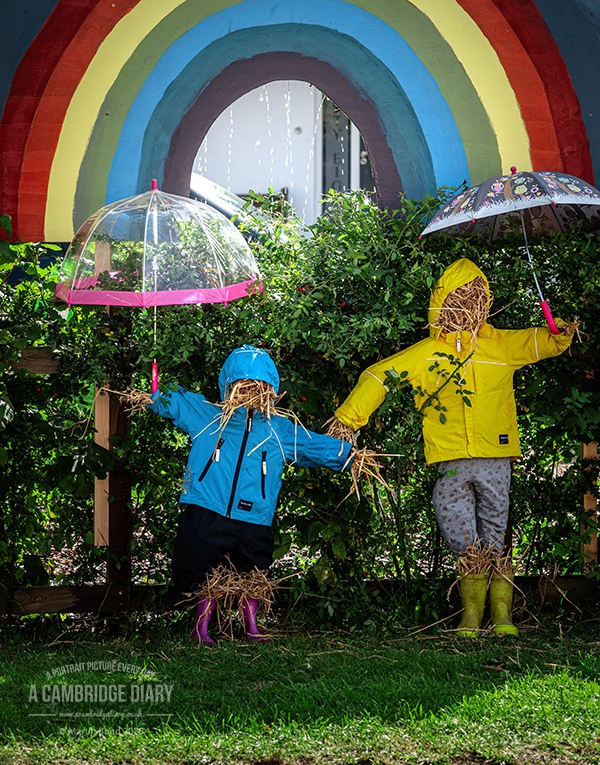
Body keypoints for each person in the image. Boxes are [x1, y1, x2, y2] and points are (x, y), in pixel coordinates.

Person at [327, 258, 576, 637]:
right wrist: (349, 417)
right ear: (441, 304)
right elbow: (379, 375)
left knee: (496, 529)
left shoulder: (501, 344)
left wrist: (558, 333)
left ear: (485, 302)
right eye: (458, 298)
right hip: (450, 459)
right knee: (457, 526)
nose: (467, 305)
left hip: (495, 454)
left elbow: (539, 343)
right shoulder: (428, 352)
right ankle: (471, 613)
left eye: (475, 297)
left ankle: (502, 613)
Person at [147, 344, 353, 644]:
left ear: (270, 390)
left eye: (258, 386)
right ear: (227, 387)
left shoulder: (278, 429)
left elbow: (311, 445)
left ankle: (252, 626)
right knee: (197, 567)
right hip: (207, 506)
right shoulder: (208, 416)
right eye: (241, 386)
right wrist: (155, 391)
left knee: (254, 572)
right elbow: (174, 402)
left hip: (254, 514)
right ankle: (201, 628)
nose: (249, 392)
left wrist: (347, 454)